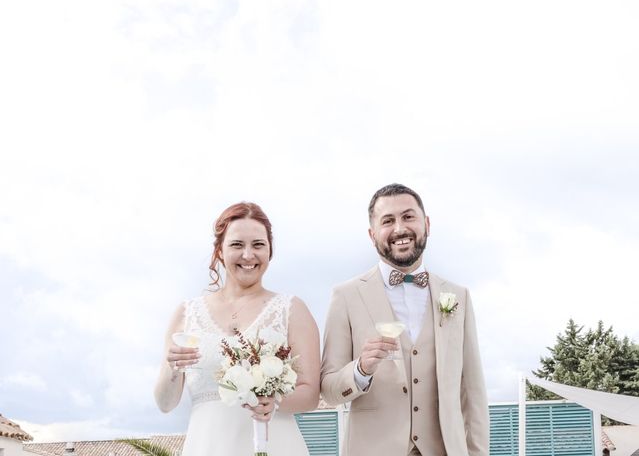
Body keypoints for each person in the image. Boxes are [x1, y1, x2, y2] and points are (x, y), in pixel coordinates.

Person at [320, 183, 489, 456]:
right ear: (372, 234)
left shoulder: (458, 296)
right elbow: (328, 389)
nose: (399, 228)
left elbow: (473, 393)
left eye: (408, 217)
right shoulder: (346, 296)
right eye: (388, 221)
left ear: (427, 224)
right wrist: (361, 369)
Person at [154, 202, 320, 456]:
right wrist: (172, 368)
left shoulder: (292, 309)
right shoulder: (186, 314)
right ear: (219, 251)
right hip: (207, 446)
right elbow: (165, 404)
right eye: (236, 245)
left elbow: (310, 395)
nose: (248, 255)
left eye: (258, 245)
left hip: (276, 445)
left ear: (270, 251)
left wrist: (274, 401)